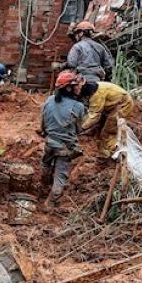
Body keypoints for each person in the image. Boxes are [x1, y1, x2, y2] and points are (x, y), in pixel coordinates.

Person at [38, 71, 87, 203]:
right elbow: (78, 129)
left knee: (45, 163)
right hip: (65, 147)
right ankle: (50, 203)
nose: (79, 87)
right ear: (69, 88)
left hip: (50, 142)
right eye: (76, 85)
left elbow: (42, 123)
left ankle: (43, 186)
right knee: (61, 176)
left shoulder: (49, 100)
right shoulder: (78, 107)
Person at [79, 80, 135, 153]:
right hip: (115, 103)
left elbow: (94, 116)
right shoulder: (96, 86)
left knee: (108, 132)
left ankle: (113, 151)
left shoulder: (96, 95)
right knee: (99, 125)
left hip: (123, 105)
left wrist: (82, 127)